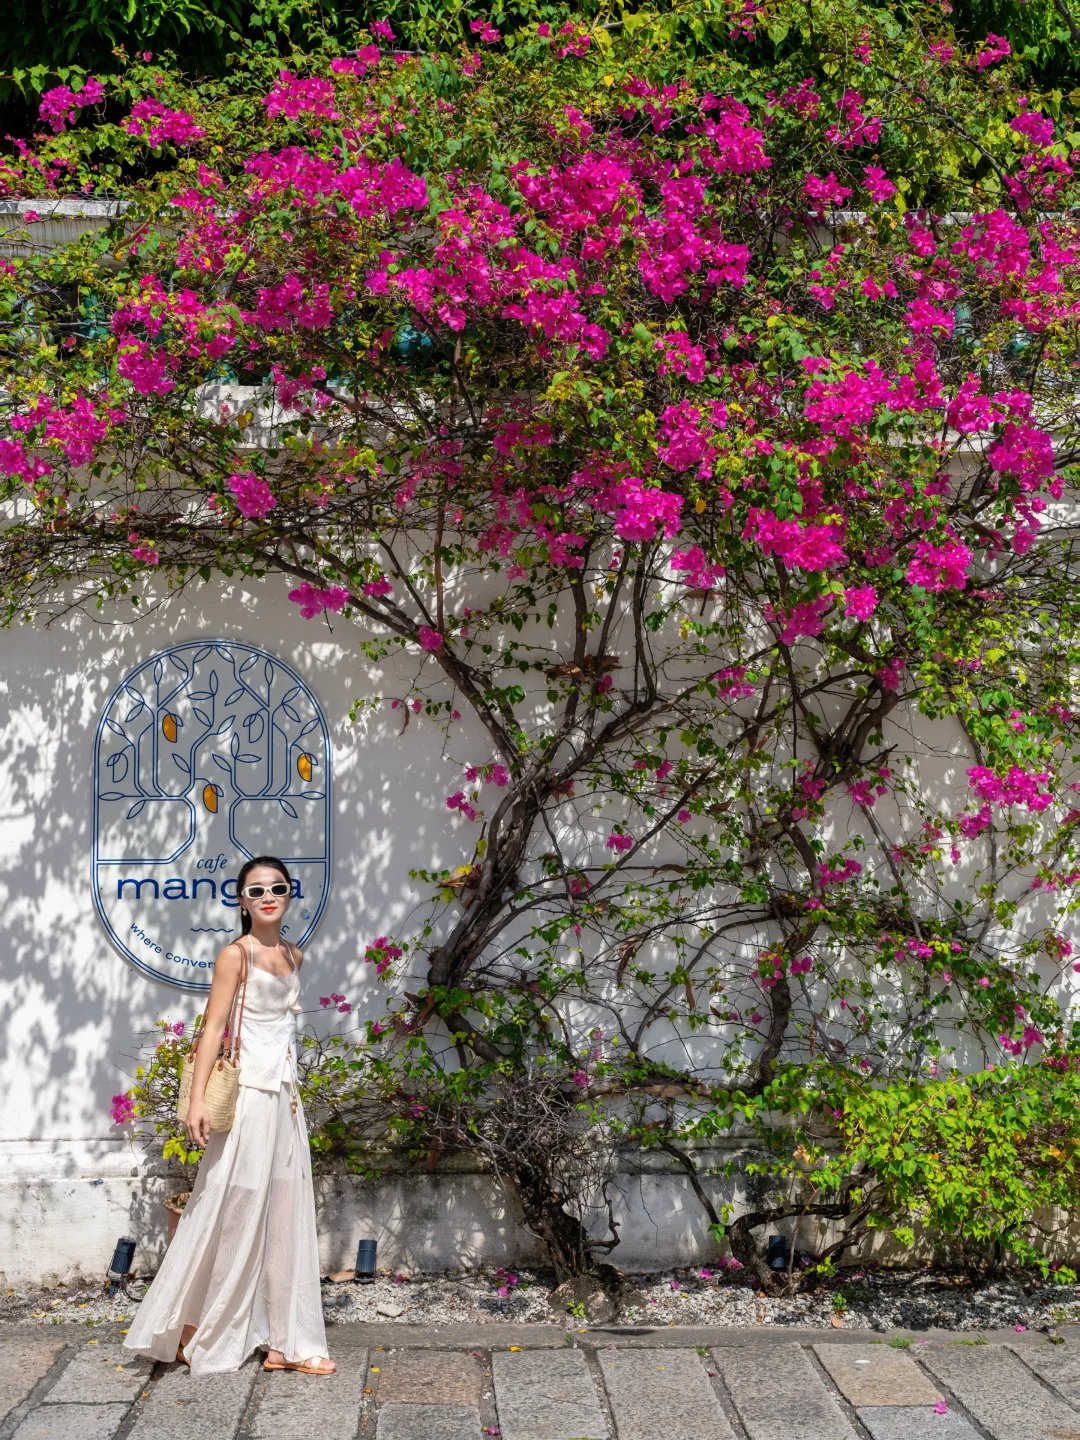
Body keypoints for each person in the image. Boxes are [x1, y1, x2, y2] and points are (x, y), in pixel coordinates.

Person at [124, 855, 335, 1377]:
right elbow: (213, 1029)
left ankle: (286, 1340)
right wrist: (196, 1101)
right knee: (230, 1205)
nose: (267, 897)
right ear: (242, 901)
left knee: (285, 1211)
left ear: (289, 894)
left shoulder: (294, 955)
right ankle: (195, 1329)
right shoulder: (234, 956)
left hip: (285, 1099)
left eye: (277, 888)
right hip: (247, 1099)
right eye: (256, 890)